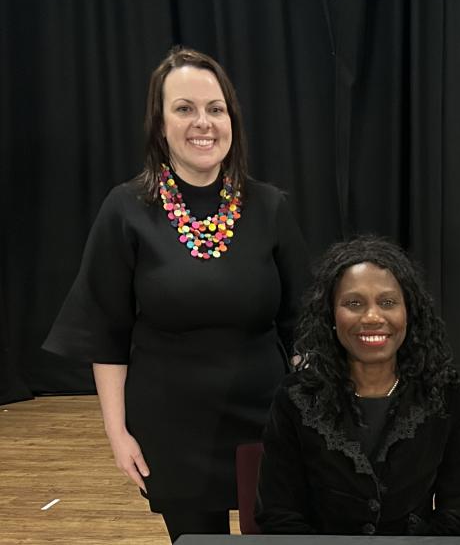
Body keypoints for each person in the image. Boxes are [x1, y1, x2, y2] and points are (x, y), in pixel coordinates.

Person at [43, 46, 310, 543]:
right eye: (184, 108)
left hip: (267, 420)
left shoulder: (269, 206)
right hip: (172, 429)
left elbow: (301, 324)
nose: (202, 123)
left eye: (215, 109)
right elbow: (106, 334)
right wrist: (118, 435)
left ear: (231, 121)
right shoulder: (126, 210)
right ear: (160, 125)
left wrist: (314, 415)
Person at [255, 236, 460, 535]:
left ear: (409, 312)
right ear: (331, 314)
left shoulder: (442, 390)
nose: (373, 317)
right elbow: (278, 513)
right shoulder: (296, 397)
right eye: (354, 303)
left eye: (387, 303)